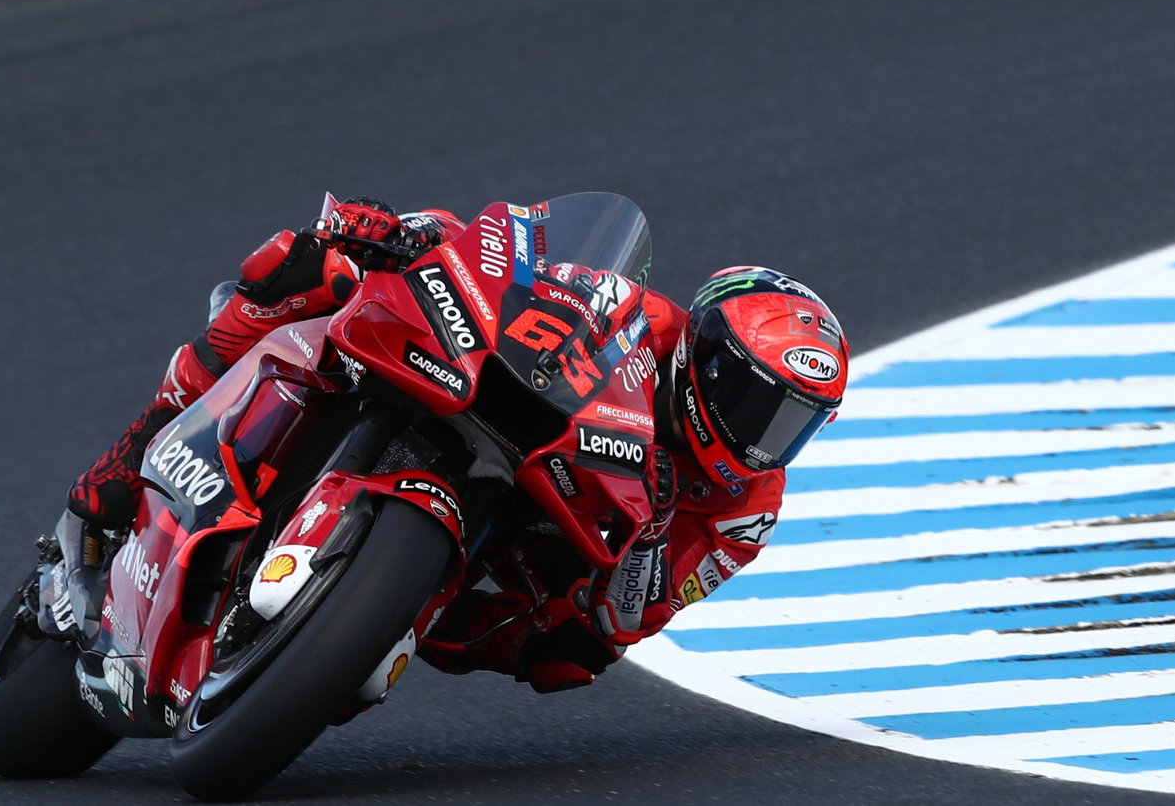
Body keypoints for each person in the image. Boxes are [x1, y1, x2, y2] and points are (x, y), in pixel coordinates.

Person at [66, 197, 849, 692]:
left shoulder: (743, 513)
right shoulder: (639, 317)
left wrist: (603, 609)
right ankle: (133, 452)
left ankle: (357, 627)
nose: (759, 435)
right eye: (753, 400)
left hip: (544, 531)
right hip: (488, 399)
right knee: (314, 268)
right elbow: (508, 259)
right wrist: (407, 236)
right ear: (706, 356)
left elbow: (631, 618)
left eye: (790, 421)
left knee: (556, 654)